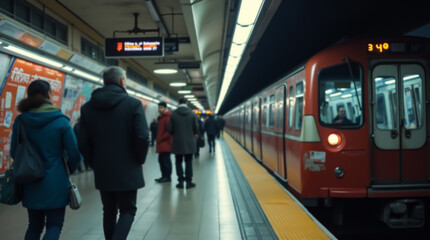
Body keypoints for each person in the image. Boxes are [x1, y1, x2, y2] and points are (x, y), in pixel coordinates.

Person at [77, 66, 149, 240]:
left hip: (103, 169)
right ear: (122, 81)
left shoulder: (87, 108)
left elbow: (83, 141)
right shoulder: (133, 104)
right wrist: (139, 159)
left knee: (108, 210)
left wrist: (94, 162)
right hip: (128, 167)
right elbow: (142, 137)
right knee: (128, 209)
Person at [10, 79, 81, 240]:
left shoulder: (21, 121)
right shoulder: (61, 121)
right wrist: (67, 170)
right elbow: (74, 153)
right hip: (56, 183)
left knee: (34, 226)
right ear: (49, 95)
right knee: (54, 225)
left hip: (30, 182)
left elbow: (15, 152)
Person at [168, 98, 198, 189]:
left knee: (178, 162)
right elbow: (196, 129)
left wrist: (176, 134)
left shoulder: (173, 114)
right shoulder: (192, 114)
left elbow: (169, 129)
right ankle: (189, 182)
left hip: (177, 142)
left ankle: (180, 182)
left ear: (178, 102)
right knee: (188, 162)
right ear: (187, 103)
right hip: (189, 142)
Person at [155, 102, 172, 183]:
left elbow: (169, 131)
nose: (159, 109)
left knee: (166, 161)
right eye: (158, 108)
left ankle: (167, 177)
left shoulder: (167, 117)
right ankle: (164, 176)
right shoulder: (162, 117)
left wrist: (161, 138)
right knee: (161, 160)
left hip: (166, 144)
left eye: (161, 107)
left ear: (165, 108)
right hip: (162, 144)